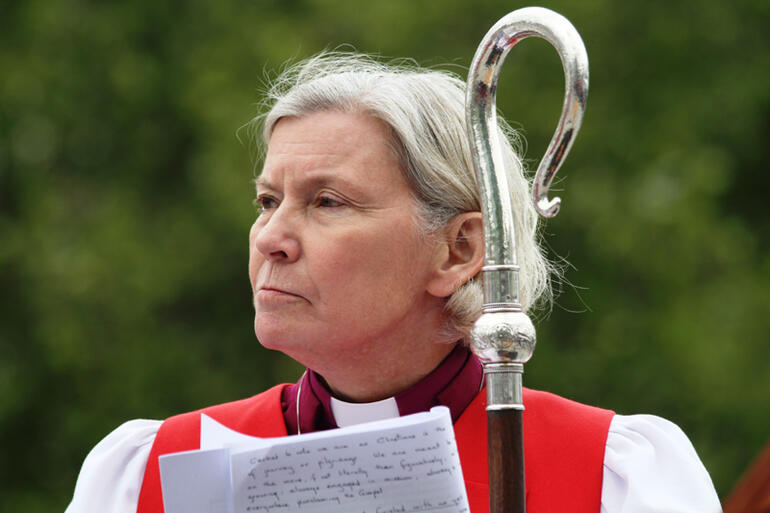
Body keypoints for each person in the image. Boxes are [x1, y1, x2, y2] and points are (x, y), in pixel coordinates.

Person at [65, 53, 721, 513]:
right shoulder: (142, 473)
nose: (270, 238)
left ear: (460, 248)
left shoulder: (613, 477)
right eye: (267, 201)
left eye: (327, 202)